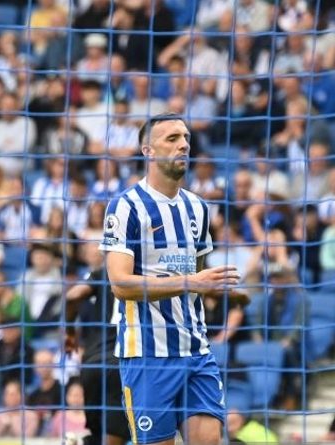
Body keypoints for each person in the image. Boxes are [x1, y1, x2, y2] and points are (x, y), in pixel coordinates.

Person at [99, 113, 250, 445]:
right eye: (171, 139)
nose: (183, 144)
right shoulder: (126, 207)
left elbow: (198, 276)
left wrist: (221, 290)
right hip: (148, 355)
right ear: (147, 151)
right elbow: (121, 284)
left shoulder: (198, 208)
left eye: (186, 138)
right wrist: (191, 282)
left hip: (196, 350)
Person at [66, 241, 130, 445]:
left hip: (92, 363)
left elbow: (72, 295)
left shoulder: (102, 273)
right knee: (115, 435)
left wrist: (69, 333)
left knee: (96, 433)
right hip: (123, 361)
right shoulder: (146, 275)